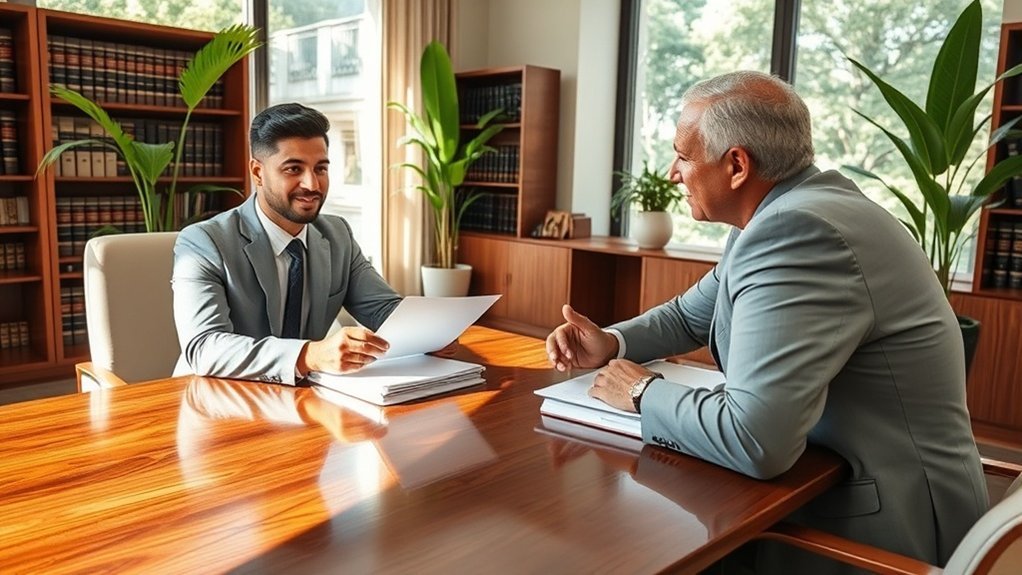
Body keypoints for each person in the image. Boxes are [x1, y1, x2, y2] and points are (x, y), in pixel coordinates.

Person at [546, 71, 987, 570]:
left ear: (737, 165)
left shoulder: (798, 231)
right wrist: (610, 343)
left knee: (633, 548)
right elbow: (691, 314)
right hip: (836, 477)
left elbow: (755, 441)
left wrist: (643, 392)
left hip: (882, 527)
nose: (672, 172)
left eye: (684, 156)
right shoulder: (784, 212)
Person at [172, 102, 402, 384]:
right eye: (294, 169)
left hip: (304, 401)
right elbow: (204, 346)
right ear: (258, 172)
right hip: (217, 399)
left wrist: (431, 333)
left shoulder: (337, 234)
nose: (312, 185)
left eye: (321, 168)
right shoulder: (204, 241)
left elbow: (385, 311)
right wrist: (309, 355)